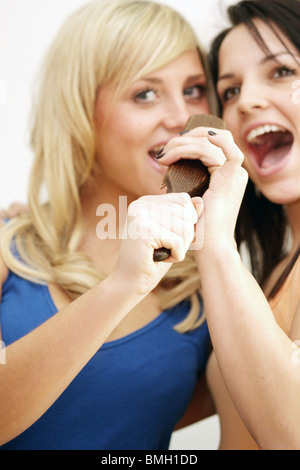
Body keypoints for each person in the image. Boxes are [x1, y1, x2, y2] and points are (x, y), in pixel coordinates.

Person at [0, 0, 217, 450]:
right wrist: (123, 284)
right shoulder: (8, 248)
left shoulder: (208, 292)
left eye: (195, 89)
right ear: (81, 113)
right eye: (145, 93)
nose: (181, 115)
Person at [158, 0, 300, 450]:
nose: (246, 102)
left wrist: (214, 244)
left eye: (281, 72)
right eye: (231, 90)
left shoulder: (225, 259)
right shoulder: (273, 274)